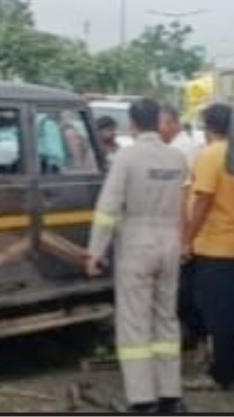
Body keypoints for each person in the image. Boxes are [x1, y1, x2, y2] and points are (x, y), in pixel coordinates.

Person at [84, 98, 189, 413]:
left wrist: (95, 251)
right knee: (166, 320)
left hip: (137, 243)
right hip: (170, 240)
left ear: (132, 124)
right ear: (158, 121)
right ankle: (170, 395)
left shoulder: (126, 157)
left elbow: (108, 208)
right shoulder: (176, 158)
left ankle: (142, 400)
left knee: (134, 322)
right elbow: (185, 202)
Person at [183, 103, 234, 391]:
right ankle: (224, 368)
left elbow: (203, 199)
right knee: (226, 312)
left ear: (207, 126)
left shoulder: (211, 155)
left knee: (213, 313)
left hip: (214, 244)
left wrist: (187, 237)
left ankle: (221, 374)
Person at [158, 105, 206, 357]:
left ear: (173, 123)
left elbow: (184, 197)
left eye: (161, 124)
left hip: (182, 229)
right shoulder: (184, 147)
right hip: (186, 229)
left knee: (183, 290)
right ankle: (194, 336)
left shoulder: (180, 150)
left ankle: (194, 336)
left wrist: (183, 238)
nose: (158, 130)